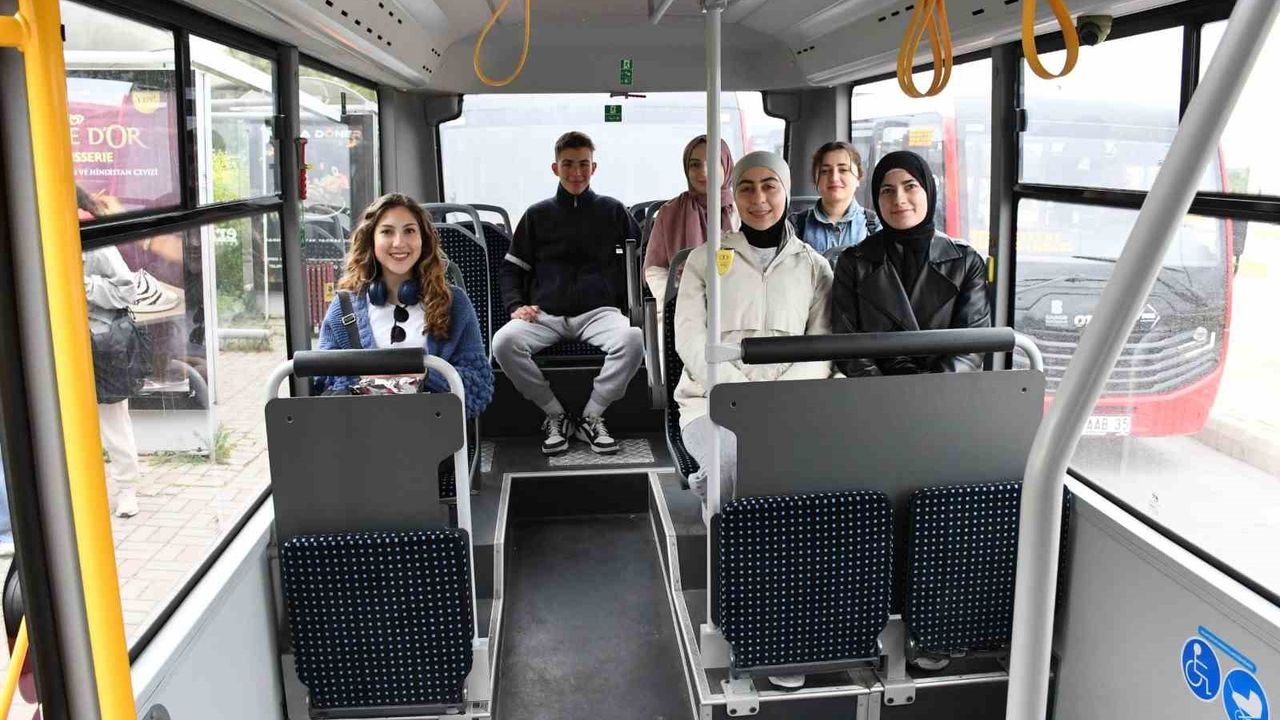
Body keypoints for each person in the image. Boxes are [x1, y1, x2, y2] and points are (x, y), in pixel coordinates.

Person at [493, 131, 644, 455]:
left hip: (599, 313)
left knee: (633, 339)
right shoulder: (536, 215)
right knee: (503, 342)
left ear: (594, 167)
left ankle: (592, 415)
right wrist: (516, 306)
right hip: (544, 314)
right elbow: (511, 270)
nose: (577, 172)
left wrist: (624, 302)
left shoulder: (613, 211)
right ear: (555, 168)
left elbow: (641, 259)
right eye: (568, 164)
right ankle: (555, 414)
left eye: (583, 164)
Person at [315, 193, 494, 418]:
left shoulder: (454, 305)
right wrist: (371, 383)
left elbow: (478, 387)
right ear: (371, 240)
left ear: (423, 239)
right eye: (387, 232)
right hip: (362, 430)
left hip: (432, 430)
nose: (399, 242)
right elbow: (323, 380)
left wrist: (425, 376)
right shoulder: (344, 308)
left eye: (409, 231)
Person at [830, 150, 991, 377]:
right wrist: (887, 390)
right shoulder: (854, 262)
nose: (899, 199)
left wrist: (926, 389)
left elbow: (971, 347)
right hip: (875, 390)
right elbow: (848, 345)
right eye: (887, 190)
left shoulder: (965, 261)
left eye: (910, 186)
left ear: (928, 191)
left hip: (945, 388)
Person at [79, 188, 145, 519]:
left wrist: (86, 285)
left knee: (113, 421)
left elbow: (128, 291)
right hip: (60, 345)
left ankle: (127, 489)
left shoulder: (96, 241)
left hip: (101, 342)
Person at [642, 135, 738, 305]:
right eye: (695, 165)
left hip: (738, 300)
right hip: (682, 301)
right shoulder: (669, 213)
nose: (703, 172)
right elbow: (655, 269)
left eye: (713, 162)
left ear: (727, 166)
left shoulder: (745, 209)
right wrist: (679, 301)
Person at [792, 141, 880, 262]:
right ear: (815, 179)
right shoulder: (795, 225)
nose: (833, 178)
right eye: (824, 171)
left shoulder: (875, 225)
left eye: (843, 170)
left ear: (858, 177)